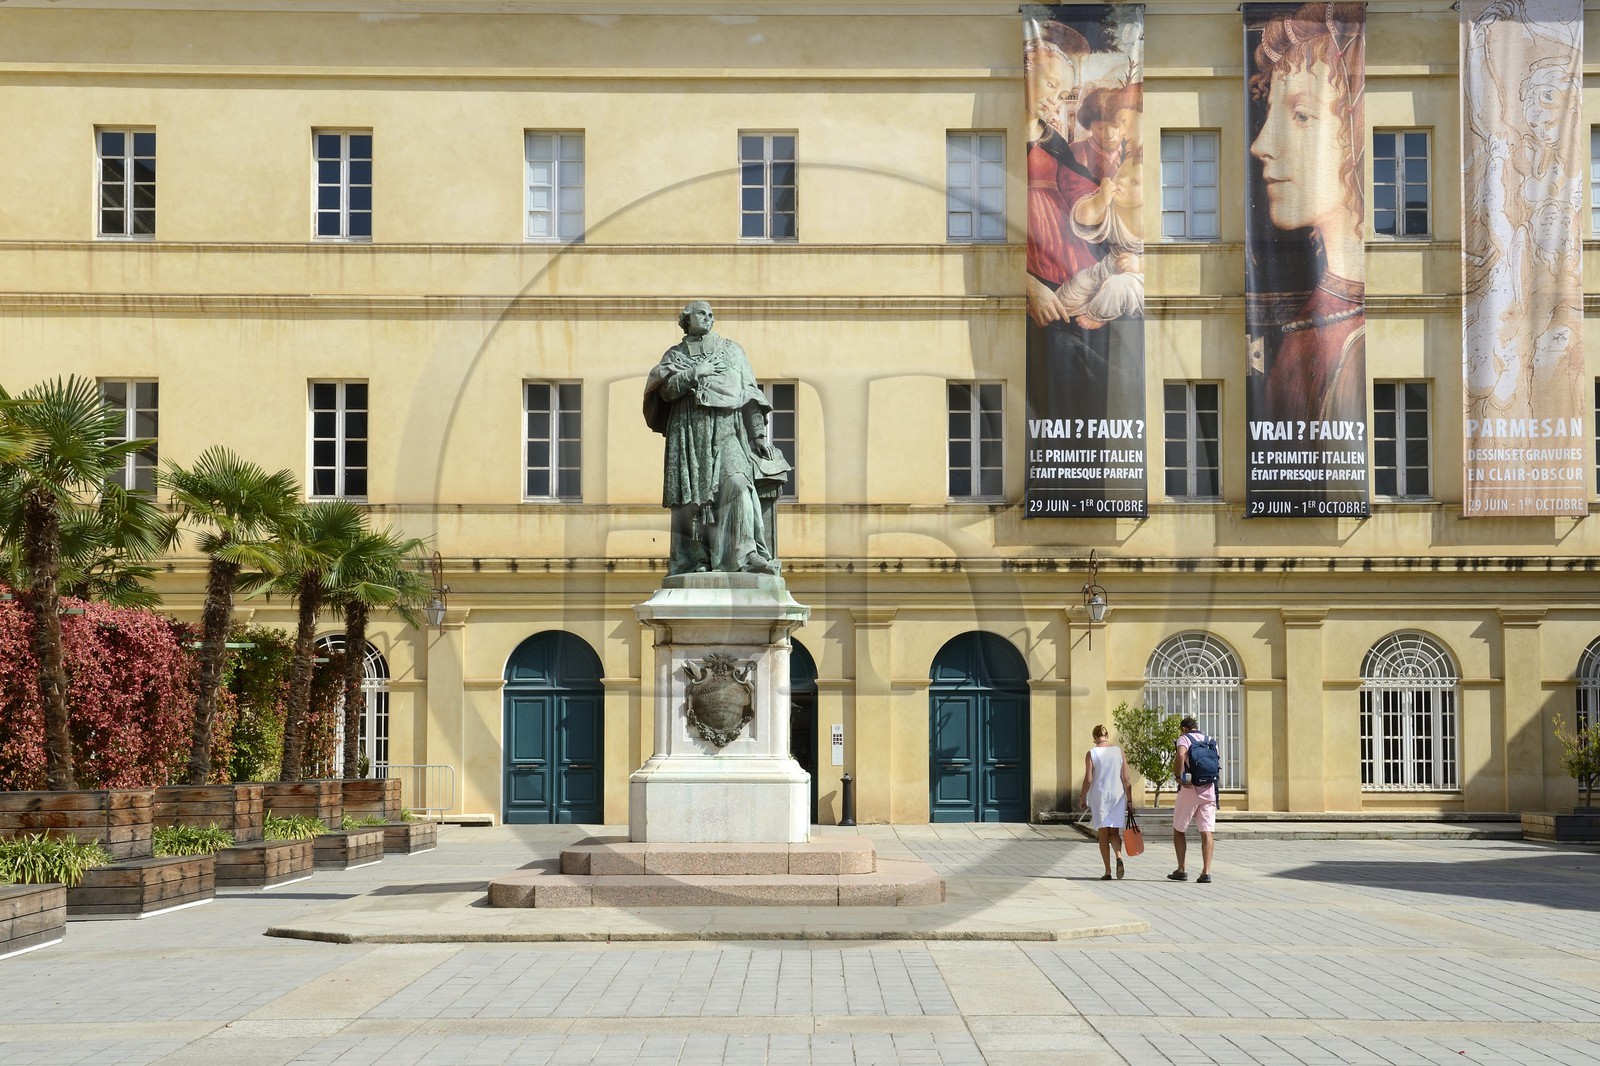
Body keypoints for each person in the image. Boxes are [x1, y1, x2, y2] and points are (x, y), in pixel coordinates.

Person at [1246, 3, 1366, 428]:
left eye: (1300, 115)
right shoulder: (1320, 313)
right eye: (1271, 113)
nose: (1260, 144)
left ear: (1357, 135)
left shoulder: (1354, 334)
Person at [643, 301, 781, 577]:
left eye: (711, 314)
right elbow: (666, 391)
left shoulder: (732, 351)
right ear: (686, 320)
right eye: (701, 313)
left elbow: (749, 392)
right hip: (688, 430)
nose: (708, 317)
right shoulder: (675, 355)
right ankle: (696, 560)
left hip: (727, 428)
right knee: (691, 498)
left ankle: (744, 554)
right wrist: (695, 373)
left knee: (739, 484)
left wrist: (758, 435)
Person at [1168, 716, 1216, 884]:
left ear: (1184, 729)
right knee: (1207, 831)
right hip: (1209, 790)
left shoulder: (1184, 738)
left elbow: (1181, 754)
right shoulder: (1209, 740)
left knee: (1179, 830)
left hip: (1189, 789)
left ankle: (1181, 869)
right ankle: (1206, 872)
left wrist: (1178, 776)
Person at [1081, 724, 1133, 880]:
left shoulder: (1092, 753)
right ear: (1107, 735)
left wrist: (1082, 796)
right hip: (1117, 795)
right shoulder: (1119, 751)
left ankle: (1108, 871)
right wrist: (1130, 799)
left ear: (1095, 737)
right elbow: (1126, 778)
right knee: (1115, 832)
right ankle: (1118, 856)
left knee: (1103, 833)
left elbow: (1089, 779)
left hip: (1100, 795)